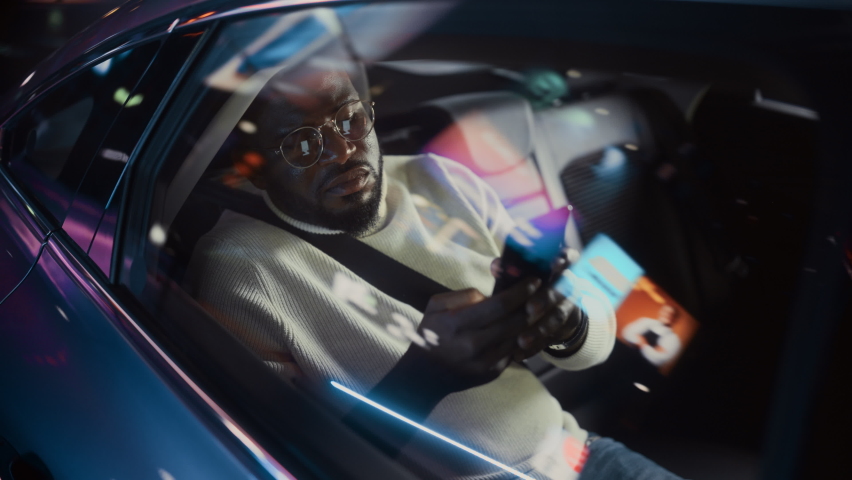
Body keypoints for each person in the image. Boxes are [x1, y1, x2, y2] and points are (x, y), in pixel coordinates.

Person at [185, 64, 683, 479]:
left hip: (579, 455)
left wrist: (566, 322)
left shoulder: (441, 178)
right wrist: (425, 377)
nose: (343, 152)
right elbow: (287, 459)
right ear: (251, 168)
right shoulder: (238, 271)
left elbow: (593, 346)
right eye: (302, 145)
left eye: (350, 120)